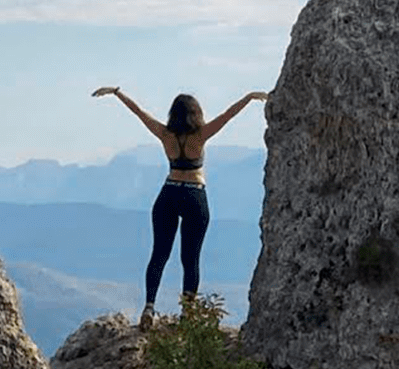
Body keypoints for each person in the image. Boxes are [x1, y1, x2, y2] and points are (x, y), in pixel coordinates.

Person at [93, 86, 269, 330]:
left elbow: (140, 113)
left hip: (169, 193)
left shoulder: (166, 135)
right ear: (196, 113)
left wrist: (117, 93)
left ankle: (149, 306)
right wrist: (249, 98)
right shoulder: (201, 135)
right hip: (195, 195)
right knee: (190, 259)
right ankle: (188, 314)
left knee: (159, 254)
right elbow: (228, 115)